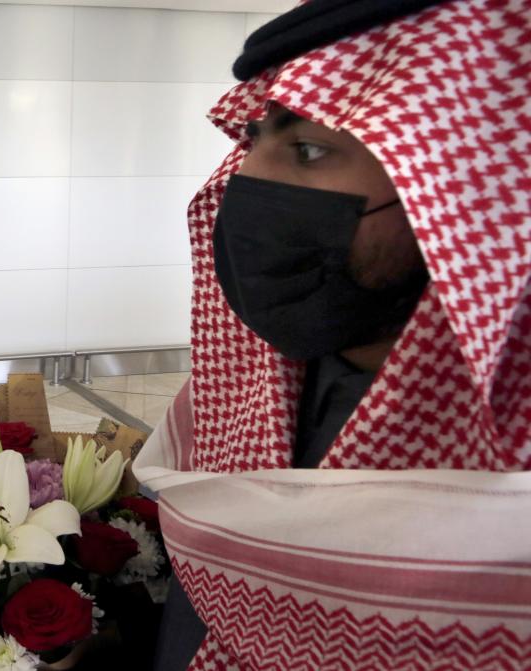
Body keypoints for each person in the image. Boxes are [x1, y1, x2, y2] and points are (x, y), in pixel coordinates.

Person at [133, 0, 531, 669]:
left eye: (310, 150)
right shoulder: (238, 385)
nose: (242, 179)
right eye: (254, 139)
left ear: (460, 190)